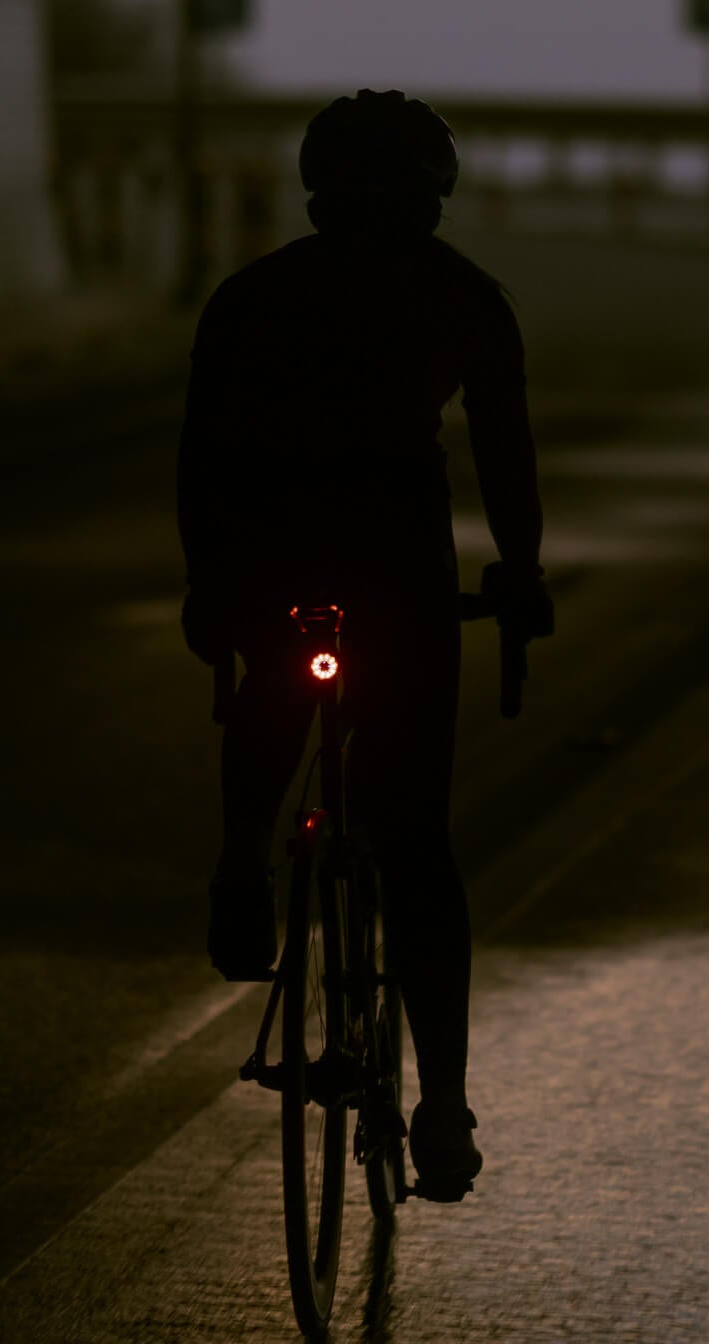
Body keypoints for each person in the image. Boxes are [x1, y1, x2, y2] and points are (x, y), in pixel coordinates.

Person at [177, 89, 550, 1202]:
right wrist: (519, 578)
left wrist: (211, 587)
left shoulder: (251, 298)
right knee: (415, 846)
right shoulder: (463, 298)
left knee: (274, 687)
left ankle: (242, 859)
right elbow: (505, 458)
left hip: (275, 550)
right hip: (400, 570)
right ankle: (440, 1105)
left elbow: (201, 456)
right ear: (431, 197)